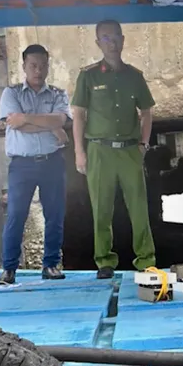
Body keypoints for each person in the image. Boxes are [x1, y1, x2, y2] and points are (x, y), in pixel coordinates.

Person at [71, 19, 157, 279]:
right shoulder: (88, 76)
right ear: (99, 43)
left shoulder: (135, 76)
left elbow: (147, 112)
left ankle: (145, 259)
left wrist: (143, 143)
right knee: (101, 207)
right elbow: (79, 115)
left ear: (123, 39)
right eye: (105, 38)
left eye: (115, 37)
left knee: (139, 206)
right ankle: (104, 261)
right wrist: (79, 151)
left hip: (129, 150)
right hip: (99, 150)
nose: (112, 42)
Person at [0, 44, 71, 285]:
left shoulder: (58, 94)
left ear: (48, 66)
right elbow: (15, 124)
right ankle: (9, 269)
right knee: (16, 215)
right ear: (24, 66)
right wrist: (51, 126)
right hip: (22, 165)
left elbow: (60, 118)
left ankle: (50, 264)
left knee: (55, 215)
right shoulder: (12, 93)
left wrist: (26, 118)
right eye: (33, 66)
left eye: (42, 66)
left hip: (52, 162)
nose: (38, 70)